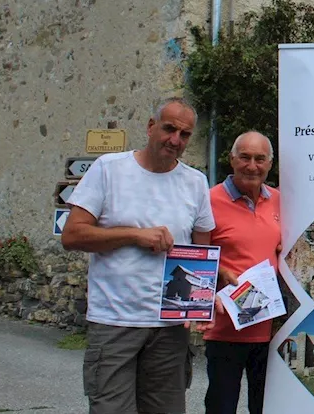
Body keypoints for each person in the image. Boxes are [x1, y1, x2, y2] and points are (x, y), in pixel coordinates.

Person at [61, 97, 215, 414]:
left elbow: (200, 255)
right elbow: (72, 235)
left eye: (184, 135)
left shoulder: (195, 182)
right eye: (169, 129)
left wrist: (197, 307)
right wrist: (134, 235)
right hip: (115, 321)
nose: (175, 140)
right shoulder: (108, 169)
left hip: (169, 328)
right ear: (150, 126)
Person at [202, 132, 282, 414]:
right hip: (226, 330)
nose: (252, 166)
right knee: (221, 407)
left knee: (266, 407)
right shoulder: (208, 201)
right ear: (232, 159)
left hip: (272, 330)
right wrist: (217, 273)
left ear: (270, 164)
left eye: (260, 159)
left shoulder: (280, 201)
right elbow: (195, 259)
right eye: (245, 157)